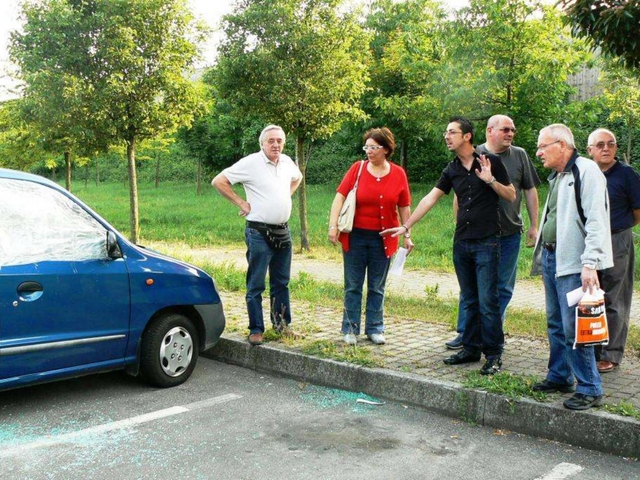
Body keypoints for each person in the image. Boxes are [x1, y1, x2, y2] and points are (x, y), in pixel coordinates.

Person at [382, 116, 515, 375]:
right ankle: (470, 348)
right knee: (470, 299)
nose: (447, 136)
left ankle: (494, 355)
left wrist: (490, 180)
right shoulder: (451, 168)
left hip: (487, 242)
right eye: (446, 132)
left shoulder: (491, 162)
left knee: (489, 301)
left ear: (467, 136)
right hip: (462, 242)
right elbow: (430, 198)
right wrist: (406, 225)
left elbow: (511, 195)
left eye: (452, 132)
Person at [531, 124, 613, 410]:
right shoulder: (558, 175)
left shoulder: (585, 171)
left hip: (576, 264)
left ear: (562, 145)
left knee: (576, 329)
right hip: (554, 259)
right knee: (556, 324)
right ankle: (559, 376)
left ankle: (590, 387)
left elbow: (596, 220)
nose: (539, 152)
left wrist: (590, 263)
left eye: (543, 146)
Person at [446, 115, 541, 350]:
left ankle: (491, 334)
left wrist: (533, 225)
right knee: (472, 288)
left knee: (502, 288)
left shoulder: (519, 155)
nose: (511, 133)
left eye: (513, 130)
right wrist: (461, 226)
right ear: (490, 131)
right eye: (505, 129)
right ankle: (466, 333)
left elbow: (529, 190)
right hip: (478, 234)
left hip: (508, 233)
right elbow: (459, 194)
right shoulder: (472, 154)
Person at [212, 125, 302, 346]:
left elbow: (297, 178)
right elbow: (218, 181)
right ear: (262, 143)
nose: (275, 145)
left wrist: (285, 197)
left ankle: (281, 326)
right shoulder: (251, 162)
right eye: (271, 141)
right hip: (258, 232)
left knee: (281, 282)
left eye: (279, 141)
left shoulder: (287, 162)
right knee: (256, 284)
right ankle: (256, 329)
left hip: (283, 230)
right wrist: (241, 202)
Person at [328, 127, 413, 346]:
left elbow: (404, 206)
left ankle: (375, 328)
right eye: (367, 147)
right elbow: (340, 197)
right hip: (355, 237)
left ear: (386, 149)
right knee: (353, 285)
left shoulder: (398, 173)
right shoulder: (357, 168)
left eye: (374, 147)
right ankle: (350, 328)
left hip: (384, 238)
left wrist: (407, 234)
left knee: (377, 286)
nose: (369, 151)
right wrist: (333, 225)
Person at [587, 128, 640, 373]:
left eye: (611, 144)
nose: (606, 148)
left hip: (618, 239)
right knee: (591, 297)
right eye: (600, 145)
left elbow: (637, 212)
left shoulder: (627, 174)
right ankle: (592, 349)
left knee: (615, 298)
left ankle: (611, 354)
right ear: (590, 151)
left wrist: (619, 229)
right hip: (590, 241)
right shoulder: (587, 173)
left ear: (616, 148)